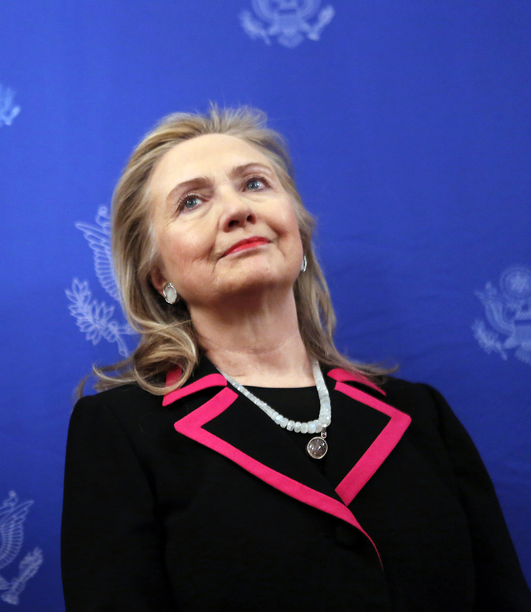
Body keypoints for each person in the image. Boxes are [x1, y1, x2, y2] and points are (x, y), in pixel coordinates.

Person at [61, 107, 531, 611]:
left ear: (299, 235)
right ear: (159, 276)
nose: (238, 210)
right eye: (192, 201)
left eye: (255, 184)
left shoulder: (422, 415)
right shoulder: (119, 432)